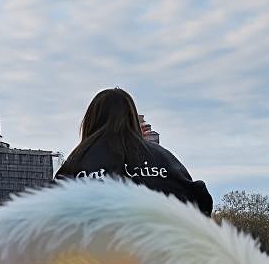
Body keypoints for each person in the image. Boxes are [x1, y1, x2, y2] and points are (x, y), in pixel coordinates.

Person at [55, 88, 213, 215]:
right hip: (160, 250)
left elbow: (49, 210)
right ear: (132, 118)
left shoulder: (77, 162)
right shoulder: (163, 158)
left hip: (95, 251)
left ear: (90, 121)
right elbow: (199, 200)